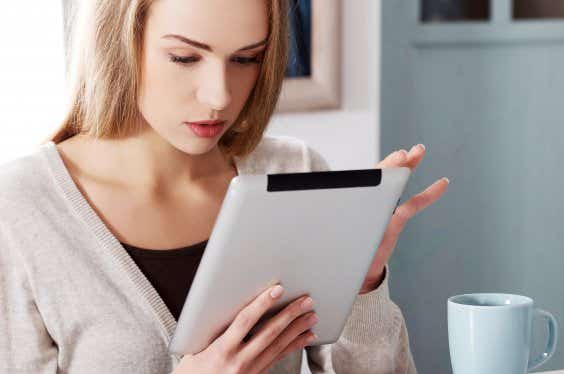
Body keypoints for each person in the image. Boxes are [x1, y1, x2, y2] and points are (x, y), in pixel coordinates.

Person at [0, 0, 449, 373]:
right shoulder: (20, 209)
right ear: (117, 40)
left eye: (245, 59)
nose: (219, 96)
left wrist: (363, 285)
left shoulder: (295, 172)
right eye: (185, 57)